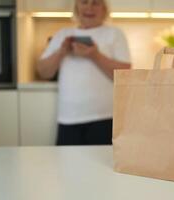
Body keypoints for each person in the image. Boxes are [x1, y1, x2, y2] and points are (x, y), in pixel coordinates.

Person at [37, 0, 131, 145]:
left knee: (101, 167)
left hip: (104, 118)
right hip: (68, 118)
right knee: (66, 166)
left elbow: (125, 75)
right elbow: (43, 72)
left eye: (96, 3)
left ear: (104, 9)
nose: (89, 7)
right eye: (84, 2)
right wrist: (62, 51)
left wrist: (94, 55)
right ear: (76, 7)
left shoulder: (114, 34)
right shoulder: (63, 34)